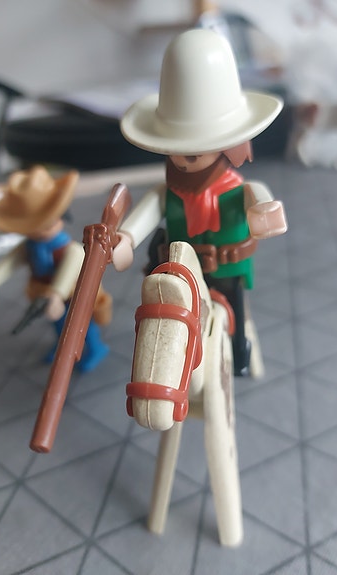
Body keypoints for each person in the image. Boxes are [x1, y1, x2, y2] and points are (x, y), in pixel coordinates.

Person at [114, 28, 288, 375]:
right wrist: (126, 238)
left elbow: (257, 195)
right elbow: (148, 210)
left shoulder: (236, 188)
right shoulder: (169, 191)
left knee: (235, 312)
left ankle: (240, 352)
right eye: (175, 148)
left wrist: (263, 210)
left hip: (225, 271)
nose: (182, 159)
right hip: (180, 271)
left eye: (195, 150)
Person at [0, 165, 110, 371]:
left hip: (74, 294)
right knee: (58, 324)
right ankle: (62, 346)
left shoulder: (71, 249)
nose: (38, 230)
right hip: (45, 294)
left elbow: (68, 272)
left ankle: (95, 348)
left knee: (81, 324)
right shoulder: (29, 246)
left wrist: (56, 294)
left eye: (45, 223)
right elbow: (10, 263)